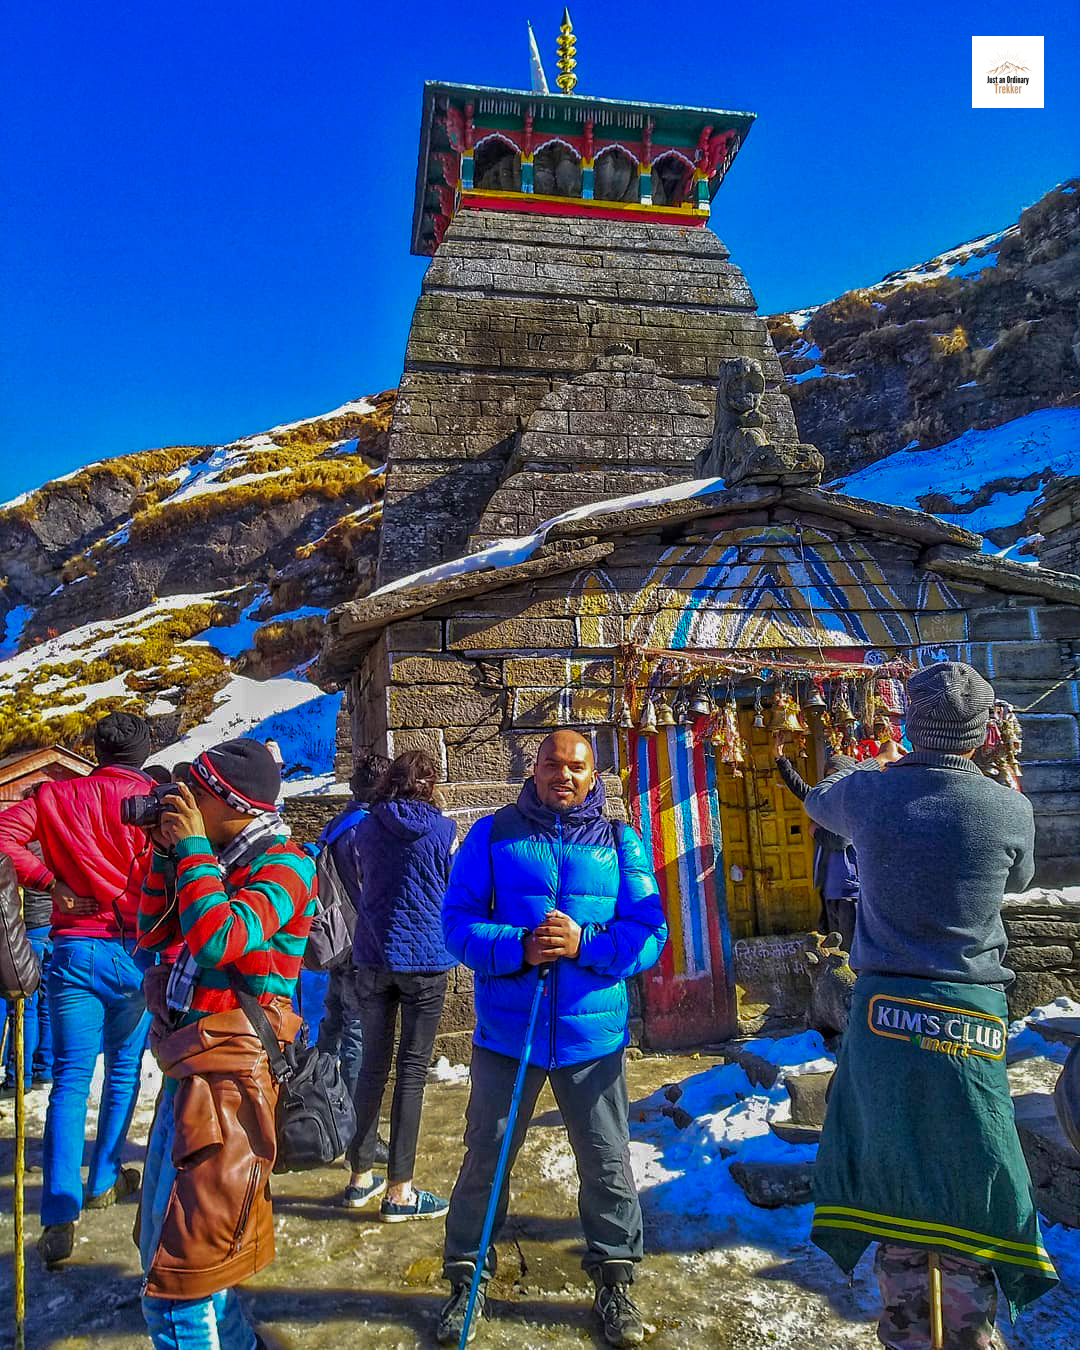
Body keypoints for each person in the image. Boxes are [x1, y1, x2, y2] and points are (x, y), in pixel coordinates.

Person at [803, 662, 1058, 1349]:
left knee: (893, 1150)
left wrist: (879, 764)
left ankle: (907, 1313)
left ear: (910, 724)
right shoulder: (1010, 807)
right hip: (971, 1011)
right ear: (981, 735)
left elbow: (817, 798)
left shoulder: (870, 796)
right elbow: (1022, 874)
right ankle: (970, 1317)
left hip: (887, 1009)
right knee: (971, 1150)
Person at [437, 730, 667, 1348]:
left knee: (607, 1160)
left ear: (593, 776)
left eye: (576, 767)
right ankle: (466, 1278)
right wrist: (517, 946)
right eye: (551, 764)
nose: (562, 775)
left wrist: (586, 944)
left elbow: (649, 931)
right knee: (485, 1157)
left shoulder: (622, 841)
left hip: (591, 1040)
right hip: (508, 1036)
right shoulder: (490, 835)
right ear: (532, 770)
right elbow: (454, 924)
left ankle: (616, 1278)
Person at [135, 736, 315, 1350]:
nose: (181, 802)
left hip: (229, 1078)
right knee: (173, 1248)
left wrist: (189, 850)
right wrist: (168, 855)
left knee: (180, 1283)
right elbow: (154, 928)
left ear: (228, 801)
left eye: (194, 793)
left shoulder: (286, 865)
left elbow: (219, 939)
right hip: (190, 1063)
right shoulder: (214, 857)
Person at [0, 712, 156, 1268]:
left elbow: (2, 837)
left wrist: (50, 883)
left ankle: (59, 1215)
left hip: (72, 949)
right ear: (143, 751)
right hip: (136, 949)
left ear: (95, 749)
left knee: (68, 1081)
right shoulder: (154, 799)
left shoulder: (55, 797)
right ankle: (105, 1180)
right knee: (122, 1071)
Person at [342, 749, 456, 1217]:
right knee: (411, 1072)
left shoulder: (365, 828)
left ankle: (359, 1176)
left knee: (372, 1065)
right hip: (425, 959)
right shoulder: (444, 831)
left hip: (373, 955)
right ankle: (400, 1190)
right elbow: (451, 885)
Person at [315, 753, 390, 1097]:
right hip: (363, 942)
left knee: (332, 1022)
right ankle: (353, 1120)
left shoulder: (335, 825)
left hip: (337, 936)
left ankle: (319, 1098)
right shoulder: (369, 830)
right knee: (358, 1032)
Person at [771, 734, 860, 950]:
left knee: (851, 951)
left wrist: (816, 832)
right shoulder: (827, 804)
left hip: (851, 894)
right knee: (835, 951)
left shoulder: (856, 804)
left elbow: (841, 840)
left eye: (836, 776)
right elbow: (802, 790)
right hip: (831, 890)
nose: (832, 782)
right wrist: (780, 759)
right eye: (828, 777)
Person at [3, 835, 53, 1092]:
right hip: (55, 930)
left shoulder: (20, 848)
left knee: (25, 1008)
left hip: (30, 931)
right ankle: (44, 1068)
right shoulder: (58, 842)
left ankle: (18, 1078)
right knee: (45, 1006)